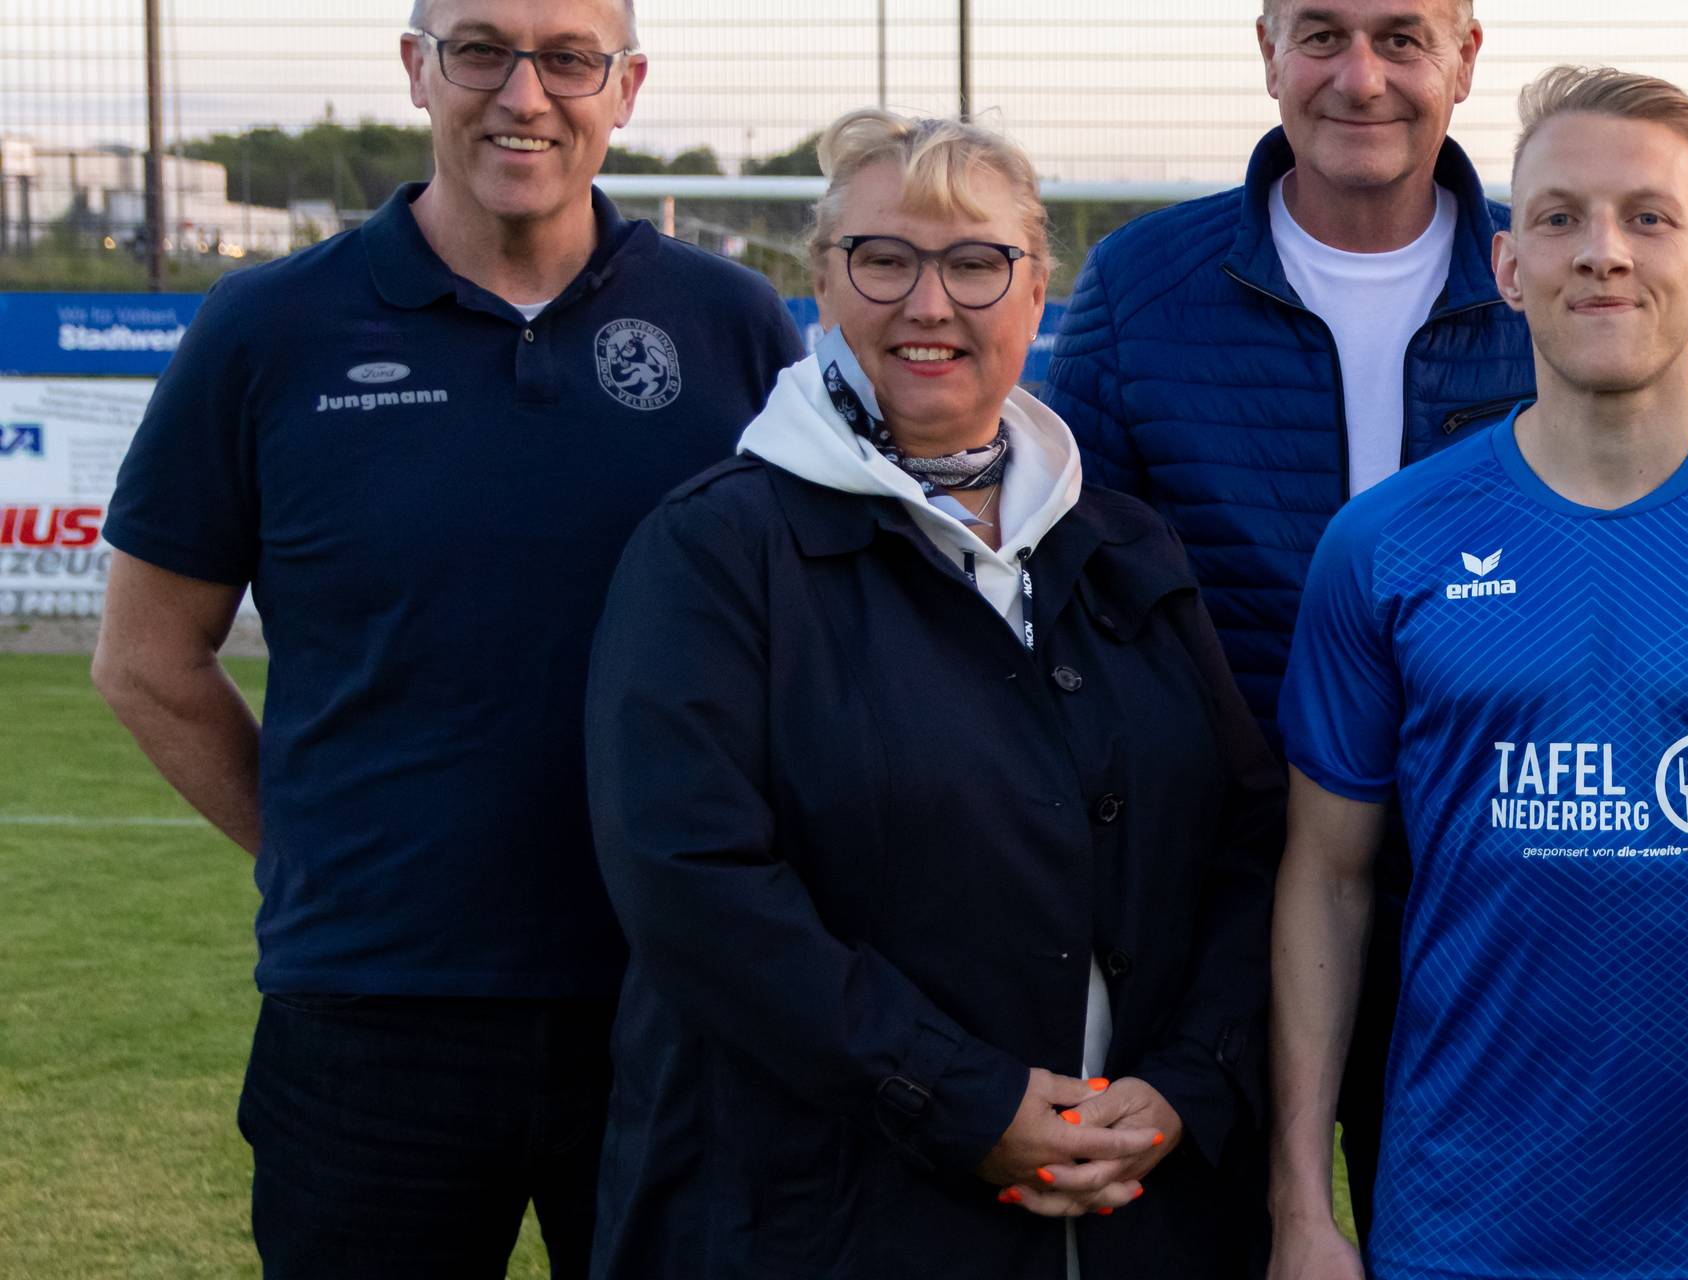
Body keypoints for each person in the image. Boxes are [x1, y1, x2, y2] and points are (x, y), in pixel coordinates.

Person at [88, 1, 802, 1273]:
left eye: (568, 58)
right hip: (369, 1016)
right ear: (416, 69)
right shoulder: (266, 327)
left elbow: (811, 645)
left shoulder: (731, 323)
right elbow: (147, 658)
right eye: (480, 49)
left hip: (674, 994)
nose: (524, 95)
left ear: (626, 87)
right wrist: (316, 848)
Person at [581, 108, 1282, 1280]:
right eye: (884, 259)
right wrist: (962, 1098)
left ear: (1036, 291)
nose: (928, 303)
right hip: (822, 1218)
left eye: (974, 263)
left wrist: (1186, 1082)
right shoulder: (717, 549)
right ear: (821, 281)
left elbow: (1246, 841)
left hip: (1140, 1210)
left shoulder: (1123, 544)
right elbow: (691, 883)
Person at [1269, 67, 1688, 1280]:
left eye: (1647, 216)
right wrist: (1300, 1211)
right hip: (1461, 1235)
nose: (1602, 252)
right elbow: (1326, 877)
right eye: (1559, 216)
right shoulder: (1383, 545)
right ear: (1504, 265)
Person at [1046, 0, 1535, 1229]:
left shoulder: (1548, 276)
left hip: (1490, 888)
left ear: (1465, 58)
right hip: (1221, 893)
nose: (1358, 78)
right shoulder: (1141, 286)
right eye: (1320, 34)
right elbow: (1072, 604)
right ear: (1265, 50)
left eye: (1401, 37)